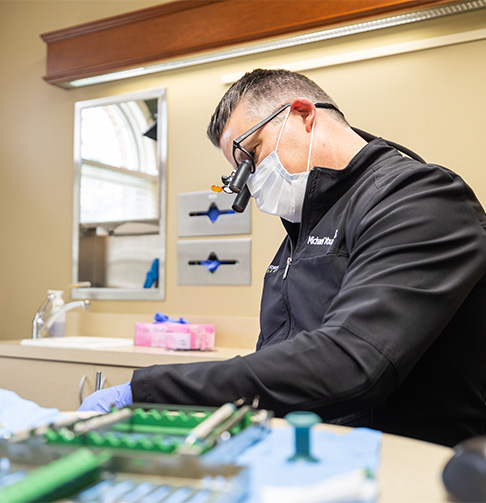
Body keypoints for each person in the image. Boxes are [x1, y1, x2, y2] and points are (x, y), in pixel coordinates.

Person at [80, 69, 486, 447]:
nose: (252, 182)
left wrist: (150, 391)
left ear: (304, 115)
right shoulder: (300, 236)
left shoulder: (420, 199)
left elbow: (349, 362)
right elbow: (277, 362)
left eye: (252, 155)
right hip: (313, 456)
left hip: (408, 464)